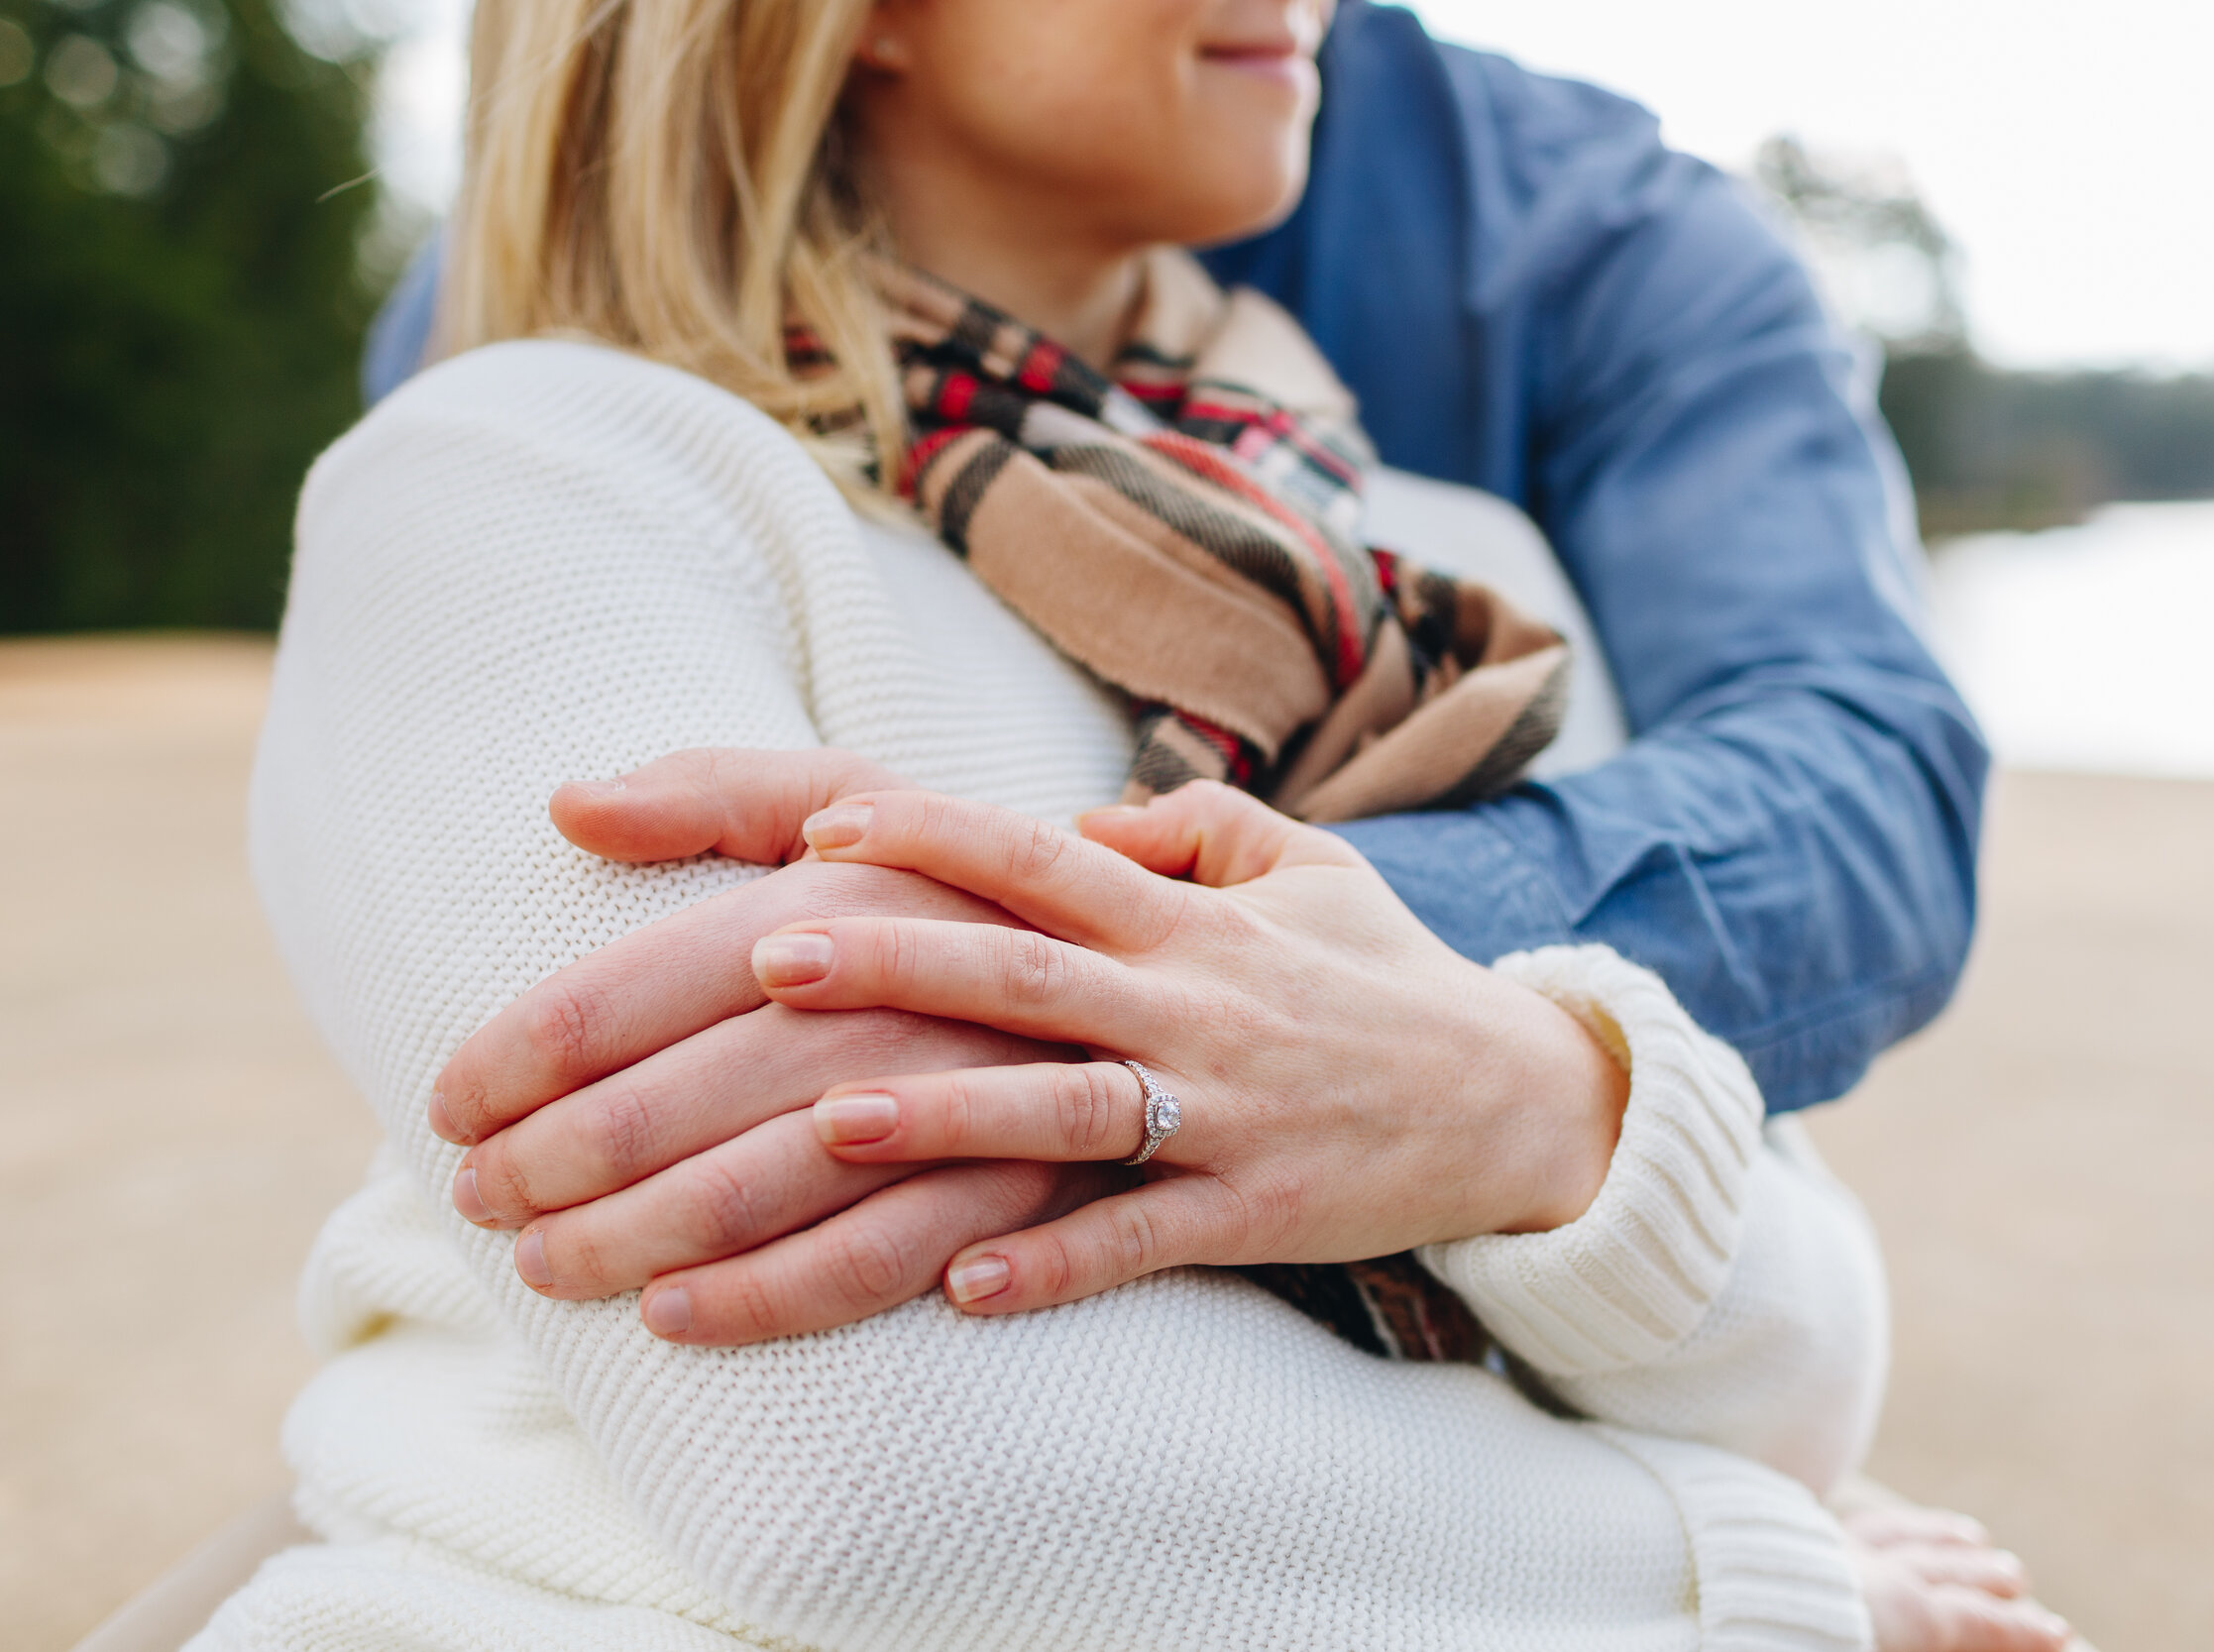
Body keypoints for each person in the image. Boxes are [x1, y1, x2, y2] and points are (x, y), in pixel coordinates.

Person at [204, 0, 2070, 1648]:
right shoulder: (530, 489)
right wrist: (1763, 1590)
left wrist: (1522, 1101)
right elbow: (864, 1479)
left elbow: (1810, 1353)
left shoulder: (1461, 578)